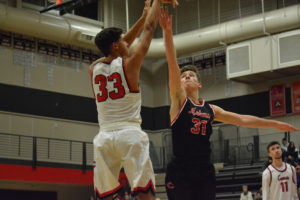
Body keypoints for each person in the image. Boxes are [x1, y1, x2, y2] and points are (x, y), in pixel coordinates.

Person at [158, 8, 298, 200]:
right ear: (179, 83)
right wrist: (166, 32)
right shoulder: (178, 102)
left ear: (199, 83)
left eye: (191, 75)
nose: (186, 77)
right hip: (180, 169)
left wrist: (274, 123)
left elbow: (242, 119)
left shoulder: (211, 109)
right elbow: (172, 63)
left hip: (204, 168)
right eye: (183, 77)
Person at [89, 1, 178, 200]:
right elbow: (149, 28)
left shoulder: (93, 69)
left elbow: (115, 51)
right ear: (115, 45)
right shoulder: (131, 63)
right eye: (123, 41)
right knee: (144, 193)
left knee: (105, 196)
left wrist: (141, 17)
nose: (127, 43)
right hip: (130, 135)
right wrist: (154, 5)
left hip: (103, 139)